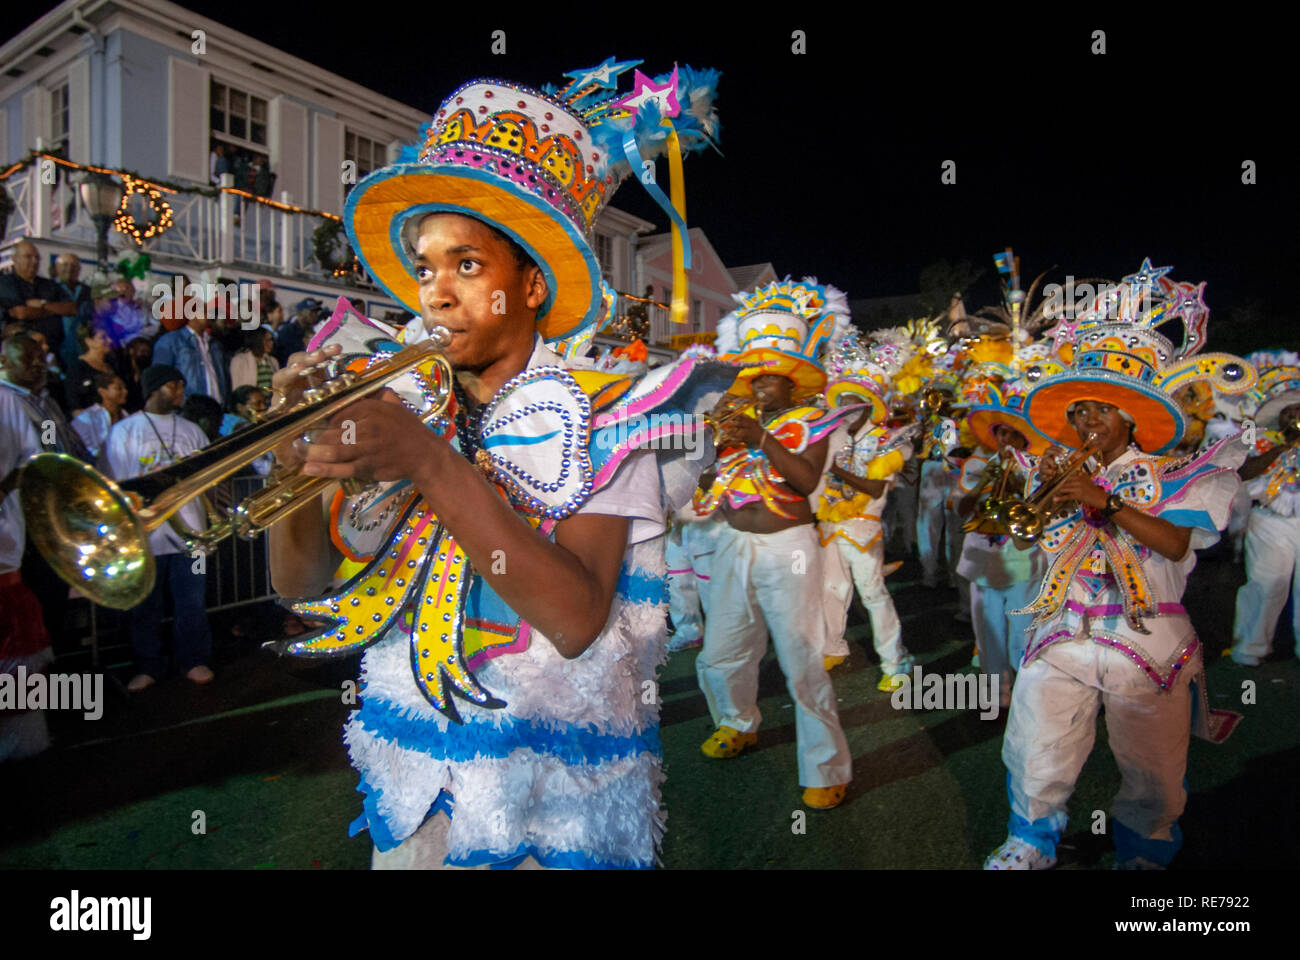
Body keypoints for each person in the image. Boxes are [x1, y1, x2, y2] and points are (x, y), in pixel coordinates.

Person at [269, 61, 725, 869]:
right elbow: (300, 587)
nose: (435, 293)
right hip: (414, 790)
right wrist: (289, 469)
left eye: (467, 265)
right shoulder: (410, 406)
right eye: (426, 269)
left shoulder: (606, 415)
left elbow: (577, 619)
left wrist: (432, 463)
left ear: (533, 284)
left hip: (556, 803)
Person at [984, 270, 1255, 870]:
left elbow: (1176, 545)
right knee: (1035, 747)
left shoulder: (1180, 473)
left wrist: (1105, 501)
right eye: (1079, 413)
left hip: (1147, 640)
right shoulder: (1054, 471)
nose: (1086, 425)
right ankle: (1030, 841)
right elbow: (1023, 535)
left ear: (1132, 420)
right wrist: (1037, 504)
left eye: (1101, 413)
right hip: (1061, 633)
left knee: (1152, 765)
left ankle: (1146, 852)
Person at [694, 279, 856, 809]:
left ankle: (824, 766)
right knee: (720, 651)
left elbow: (806, 483)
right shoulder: (734, 428)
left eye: (770, 380)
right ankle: (737, 722)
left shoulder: (815, 421)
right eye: (754, 378)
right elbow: (710, 491)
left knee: (800, 657)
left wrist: (759, 439)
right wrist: (703, 455)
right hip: (732, 543)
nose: (759, 386)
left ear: (794, 386)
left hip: (789, 546)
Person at [105, 364, 214, 691]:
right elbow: (117, 483)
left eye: (181, 385)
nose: (180, 391)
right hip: (145, 538)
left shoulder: (192, 430)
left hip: (190, 536)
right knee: (144, 606)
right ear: (153, 389)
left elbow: (208, 476)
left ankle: (194, 659)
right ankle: (148, 664)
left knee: (192, 601)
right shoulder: (124, 431)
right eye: (172, 386)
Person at [816, 337, 917, 688]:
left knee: (873, 595)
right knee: (831, 589)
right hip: (830, 525)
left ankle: (894, 662)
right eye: (842, 401)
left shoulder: (890, 442)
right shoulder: (834, 438)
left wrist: (835, 469)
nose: (846, 407)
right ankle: (832, 646)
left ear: (869, 405)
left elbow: (874, 488)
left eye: (854, 402)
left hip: (863, 527)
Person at [954, 382, 1049, 707]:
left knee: (1022, 636)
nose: (1005, 441)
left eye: (1012, 434)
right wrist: (983, 484)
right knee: (988, 635)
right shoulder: (979, 465)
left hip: (1023, 564)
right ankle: (999, 696)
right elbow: (961, 511)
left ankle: (1027, 694)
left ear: (1026, 438)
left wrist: (1020, 482)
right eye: (1001, 434)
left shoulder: (1038, 471)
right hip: (982, 562)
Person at [0, 334, 56, 763]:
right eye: (29, 357)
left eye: (42, 357)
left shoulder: (19, 405)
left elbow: (38, 468)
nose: (39, 363)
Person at [1229, 356, 1300, 666]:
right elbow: (1242, 473)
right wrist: (1282, 448)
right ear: (1281, 417)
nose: (1296, 415)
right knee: (1268, 583)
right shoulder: (1259, 440)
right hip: (1269, 521)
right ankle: (1250, 648)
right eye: (1290, 411)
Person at [0, 241, 79, 360]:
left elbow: (72, 308)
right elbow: (22, 313)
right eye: (28, 257)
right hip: (20, 356)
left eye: (37, 257)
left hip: (54, 353)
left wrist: (43, 304)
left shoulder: (49, 285)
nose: (34, 261)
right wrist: (54, 310)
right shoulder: (4, 284)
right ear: (14, 259)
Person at [153, 298, 230, 405]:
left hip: (218, 408)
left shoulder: (215, 343)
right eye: (204, 311)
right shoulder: (170, 341)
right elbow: (160, 377)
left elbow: (224, 376)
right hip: (188, 408)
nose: (209, 314)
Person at [71, 369, 128, 464]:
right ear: (102, 392)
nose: (125, 391)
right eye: (118, 388)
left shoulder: (125, 414)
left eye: (125, 387)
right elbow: (83, 449)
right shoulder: (87, 417)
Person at [63, 321, 117, 414]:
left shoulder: (115, 362)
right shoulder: (77, 370)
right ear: (88, 341)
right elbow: (75, 406)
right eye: (103, 337)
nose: (110, 340)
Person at [53, 253, 94, 372]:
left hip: (82, 347)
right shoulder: (49, 288)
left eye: (74, 266)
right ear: (56, 267)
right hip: (57, 344)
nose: (69, 269)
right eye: (65, 265)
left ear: (79, 269)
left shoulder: (88, 291)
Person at [229, 326, 280, 393]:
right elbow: (237, 389)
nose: (271, 343)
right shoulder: (239, 361)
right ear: (258, 341)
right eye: (268, 340)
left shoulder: (273, 361)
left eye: (271, 340)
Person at [273, 298, 323, 366]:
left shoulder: (313, 333)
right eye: (312, 312)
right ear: (302, 313)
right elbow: (283, 356)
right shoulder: (287, 331)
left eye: (316, 312)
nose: (315, 315)